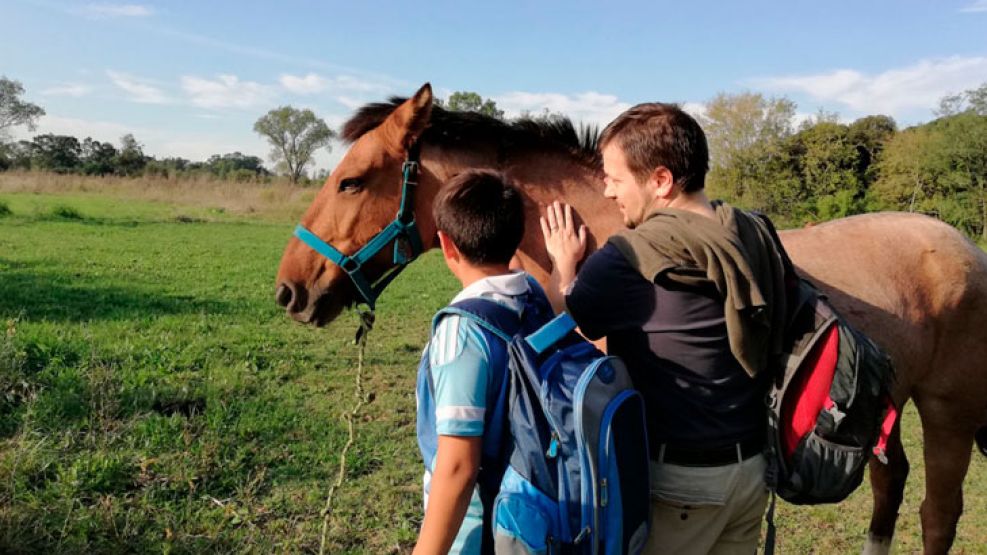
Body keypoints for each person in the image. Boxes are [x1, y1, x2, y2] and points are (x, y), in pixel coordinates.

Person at [540, 103, 787, 554]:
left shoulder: (631, 255)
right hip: (752, 471)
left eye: (615, 178)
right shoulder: (752, 230)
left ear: (660, 180)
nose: (608, 191)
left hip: (681, 487)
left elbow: (576, 327)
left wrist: (565, 269)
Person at [414, 169, 542, 554]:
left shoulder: (462, 331)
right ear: (518, 239)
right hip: (521, 511)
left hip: (475, 528)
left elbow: (458, 467)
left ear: (446, 245)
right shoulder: (532, 298)